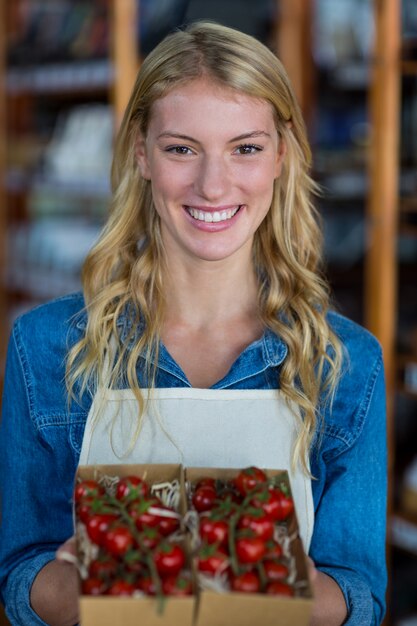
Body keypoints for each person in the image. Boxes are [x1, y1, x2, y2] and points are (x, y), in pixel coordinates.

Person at [0, 21, 387, 626]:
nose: (213, 185)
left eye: (246, 148)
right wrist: (93, 590)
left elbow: (359, 591)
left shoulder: (345, 361)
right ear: (141, 153)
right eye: (182, 148)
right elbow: (21, 569)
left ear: (282, 156)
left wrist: (296, 592)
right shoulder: (48, 346)